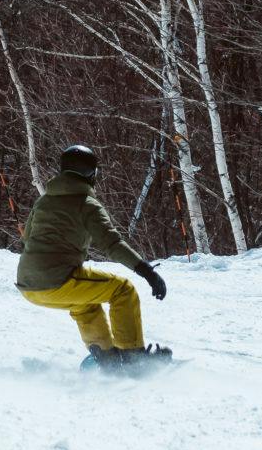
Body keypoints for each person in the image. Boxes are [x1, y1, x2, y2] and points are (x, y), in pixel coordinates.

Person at [17, 144, 170, 367]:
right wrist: (146, 271)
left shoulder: (43, 201)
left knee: (85, 303)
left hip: (28, 286)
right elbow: (112, 244)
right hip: (57, 281)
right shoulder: (87, 204)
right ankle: (134, 360)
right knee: (122, 290)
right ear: (92, 174)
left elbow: (26, 239)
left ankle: (106, 359)